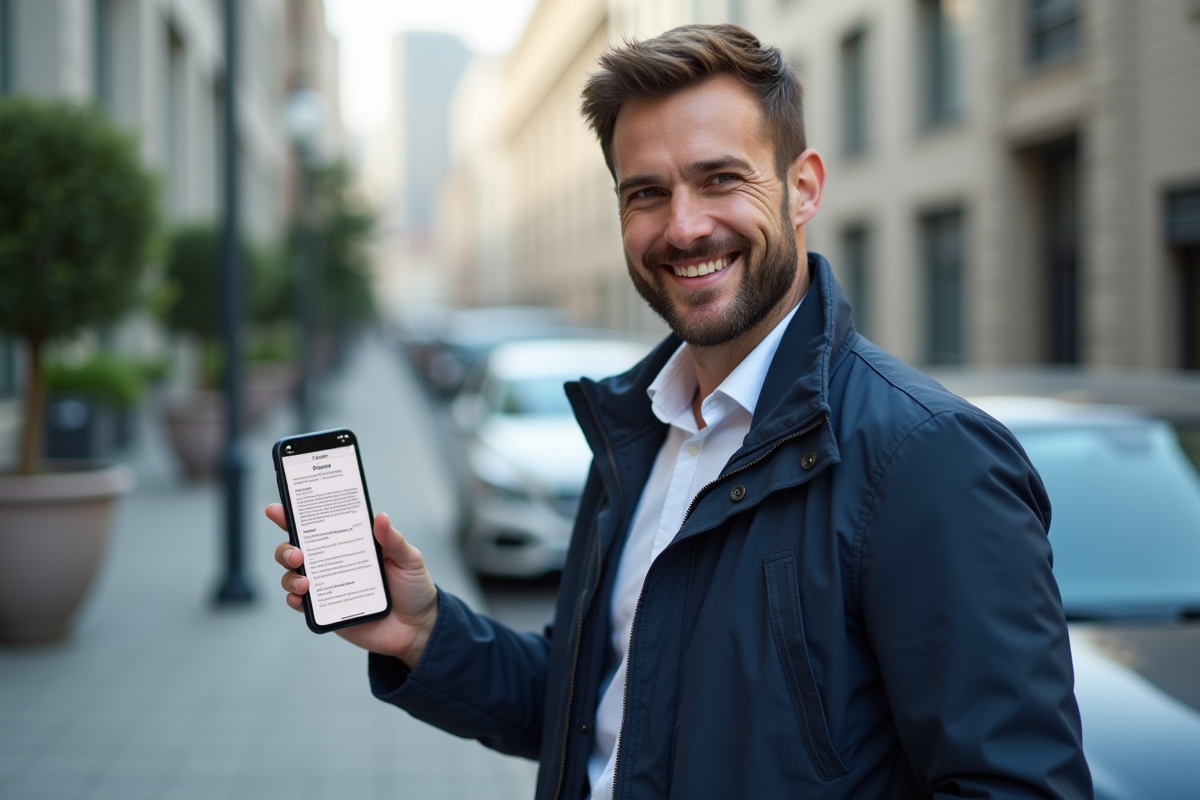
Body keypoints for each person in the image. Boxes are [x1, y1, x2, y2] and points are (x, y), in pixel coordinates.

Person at [270, 23, 1092, 800]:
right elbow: (601, 705)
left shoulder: (927, 456)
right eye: (647, 194)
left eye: (720, 179)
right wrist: (422, 632)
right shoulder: (636, 433)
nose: (685, 227)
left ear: (802, 189)